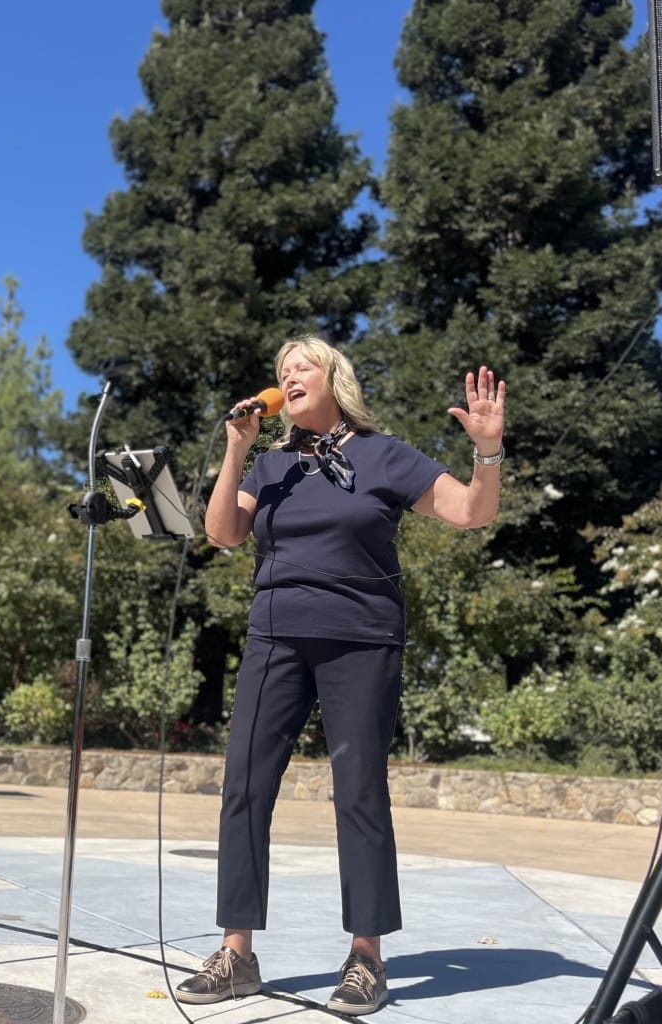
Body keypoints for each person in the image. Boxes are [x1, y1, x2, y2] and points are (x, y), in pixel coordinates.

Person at [175, 335, 506, 1015]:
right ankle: (237, 953)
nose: (288, 377)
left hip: (361, 642)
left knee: (358, 792)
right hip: (275, 638)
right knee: (243, 786)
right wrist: (237, 448)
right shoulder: (270, 466)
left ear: (334, 379)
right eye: (281, 372)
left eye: (302, 367)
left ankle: (366, 957)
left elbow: (473, 511)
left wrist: (488, 449)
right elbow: (222, 533)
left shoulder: (385, 455)